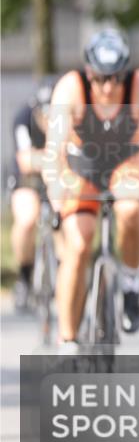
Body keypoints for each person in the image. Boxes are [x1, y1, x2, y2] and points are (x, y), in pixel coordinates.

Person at [44, 29, 139, 352]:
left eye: (115, 79)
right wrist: (55, 185)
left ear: (125, 73)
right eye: (100, 79)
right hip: (81, 165)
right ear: (88, 73)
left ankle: (131, 283)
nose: (108, 87)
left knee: (130, 209)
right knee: (78, 241)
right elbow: (54, 149)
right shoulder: (70, 87)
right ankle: (68, 337)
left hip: (124, 163)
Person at [7, 77, 57, 313]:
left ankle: (65, 271)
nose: (48, 121)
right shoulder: (23, 118)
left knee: (68, 225)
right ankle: (24, 277)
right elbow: (26, 161)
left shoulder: (73, 120)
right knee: (27, 219)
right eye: (44, 114)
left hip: (57, 177)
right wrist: (53, 158)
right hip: (27, 179)